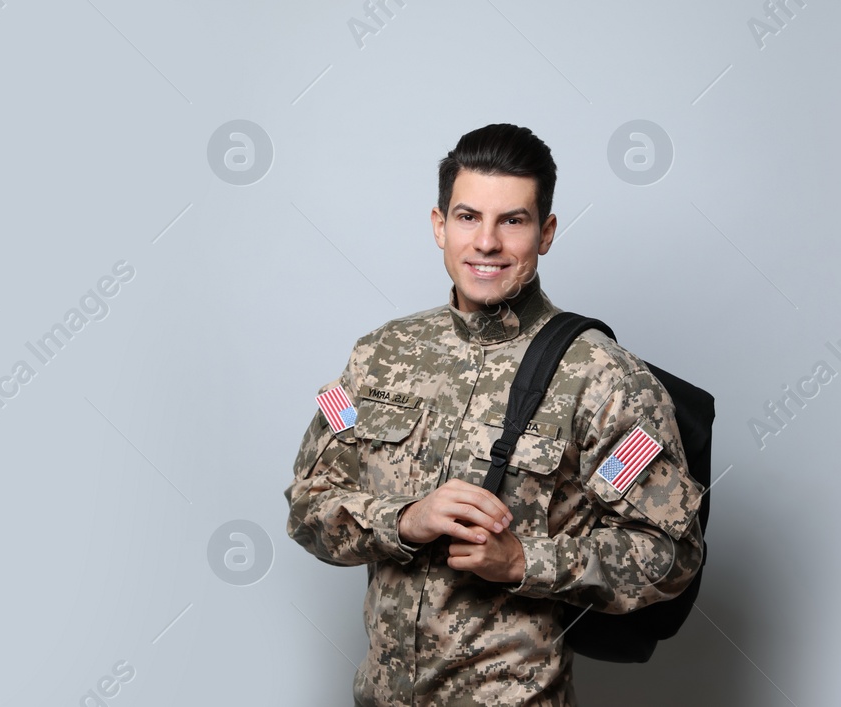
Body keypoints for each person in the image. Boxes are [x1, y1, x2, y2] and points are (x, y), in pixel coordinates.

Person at [283, 123, 705, 706]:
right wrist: (405, 520)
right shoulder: (378, 356)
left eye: (512, 220)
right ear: (439, 225)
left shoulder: (607, 380)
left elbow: (670, 554)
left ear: (546, 232)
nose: (486, 242)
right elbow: (307, 507)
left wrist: (524, 560)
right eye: (467, 217)